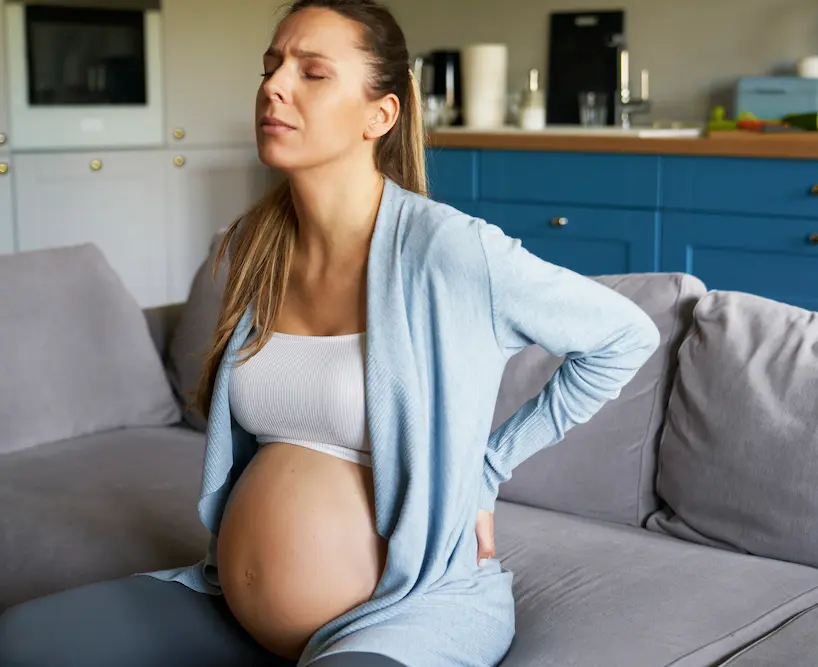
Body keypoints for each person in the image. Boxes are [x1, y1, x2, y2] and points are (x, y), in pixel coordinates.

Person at [0, 1, 659, 665]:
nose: (274, 86)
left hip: (403, 615)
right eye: (271, 66)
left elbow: (624, 337)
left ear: (382, 115)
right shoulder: (256, 247)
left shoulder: (450, 252)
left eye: (313, 72)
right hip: (229, 601)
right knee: (24, 641)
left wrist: (485, 470)